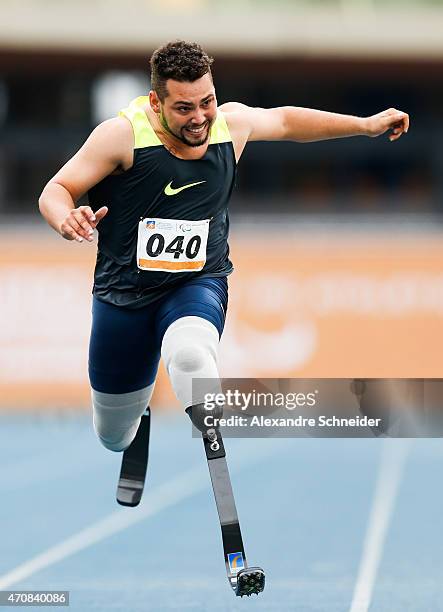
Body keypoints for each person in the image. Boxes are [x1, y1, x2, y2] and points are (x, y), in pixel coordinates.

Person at [38, 40, 409, 452]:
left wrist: (364, 124)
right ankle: (138, 412)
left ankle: (205, 420)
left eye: (207, 102)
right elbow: (56, 190)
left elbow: (285, 121)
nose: (199, 119)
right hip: (123, 296)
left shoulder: (228, 126)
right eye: (184, 108)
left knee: (192, 356)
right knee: (113, 435)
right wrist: (65, 217)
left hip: (195, 283)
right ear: (155, 103)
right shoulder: (119, 137)